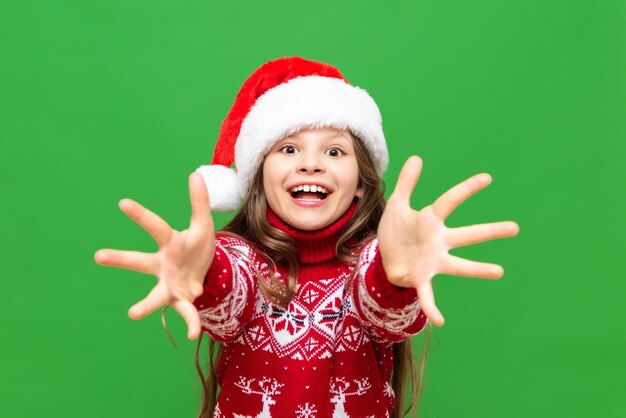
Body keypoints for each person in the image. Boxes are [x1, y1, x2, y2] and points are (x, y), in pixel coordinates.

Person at [95, 57, 519, 418]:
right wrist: (204, 275)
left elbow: (389, 315)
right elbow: (231, 295)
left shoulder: (377, 262)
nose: (311, 164)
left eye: (334, 151)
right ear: (258, 176)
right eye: (288, 149)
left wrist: (395, 278)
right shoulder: (238, 258)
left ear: (360, 182)